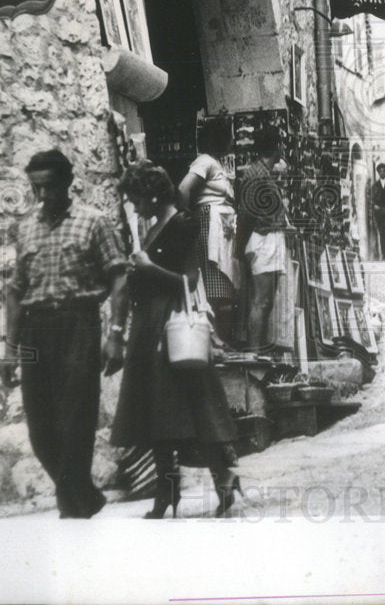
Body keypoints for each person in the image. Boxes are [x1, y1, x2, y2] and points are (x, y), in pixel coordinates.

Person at [111, 160, 240, 518]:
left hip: (172, 325)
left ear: (153, 196)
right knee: (159, 410)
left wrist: (148, 268)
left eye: (138, 200)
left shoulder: (182, 224)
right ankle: (168, 491)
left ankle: (222, 479)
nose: (135, 207)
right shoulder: (153, 227)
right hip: (148, 326)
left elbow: (190, 280)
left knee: (190, 407)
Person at [4, 149, 128, 518]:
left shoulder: (94, 222)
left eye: (50, 186)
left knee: (76, 418)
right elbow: (15, 290)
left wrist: (116, 335)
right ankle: (83, 495)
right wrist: (10, 348)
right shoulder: (25, 227)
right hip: (35, 329)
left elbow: (119, 278)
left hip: (78, 325)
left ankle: (73, 509)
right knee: (40, 429)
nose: (43, 194)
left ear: (68, 182)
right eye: (36, 187)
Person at [177, 120, 241, 345]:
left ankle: (221, 341)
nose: (232, 141)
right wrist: (186, 220)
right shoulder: (204, 161)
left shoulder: (216, 164)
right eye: (229, 137)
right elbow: (183, 189)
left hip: (221, 230)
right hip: (210, 227)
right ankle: (216, 342)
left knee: (224, 290)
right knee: (216, 289)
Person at [236, 126, 289, 355]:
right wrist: (239, 250)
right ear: (276, 148)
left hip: (269, 239)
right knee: (261, 301)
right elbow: (247, 215)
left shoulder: (263, 173)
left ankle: (259, 353)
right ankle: (254, 353)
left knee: (266, 302)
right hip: (262, 241)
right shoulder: (257, 175)